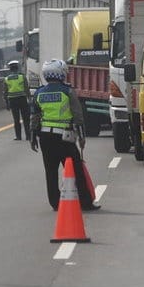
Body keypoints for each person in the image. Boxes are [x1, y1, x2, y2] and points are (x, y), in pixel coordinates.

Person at [29, 59, 98, 211]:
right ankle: (85, 202)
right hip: (64, 138)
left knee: (51, 171)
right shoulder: (67, 91)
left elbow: (34, 117)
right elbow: (78, 116)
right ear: (61, 74)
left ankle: (55, 203)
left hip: (45, 138)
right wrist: (82, 137)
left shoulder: (39, 93)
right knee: (76, 169)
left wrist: (33, 137)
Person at [2, 60, 31, 140]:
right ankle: (28, 136)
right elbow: (26, 89)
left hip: (12, 101)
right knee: (26, 118)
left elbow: (5, 92)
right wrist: (29, 99)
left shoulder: (6, 79)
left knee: (16, 119)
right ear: (17, 68)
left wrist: (7, 104)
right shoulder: (22, 77)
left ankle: (18, 136)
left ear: (10, 69)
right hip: (22, 99)